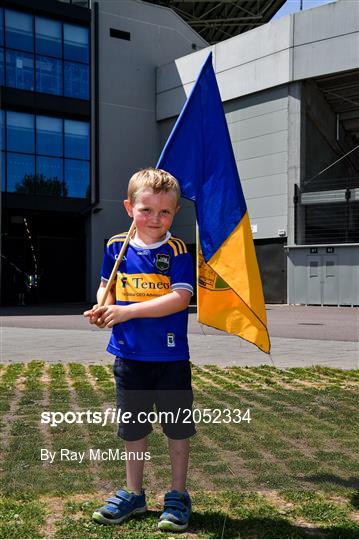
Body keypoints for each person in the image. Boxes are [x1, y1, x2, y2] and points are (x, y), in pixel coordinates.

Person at [84, 168, 196, 532]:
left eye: (165, 212)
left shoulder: (177, 250)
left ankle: (178, 495)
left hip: (169, 359)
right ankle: (134, 494)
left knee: (177, 428)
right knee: (133, 428)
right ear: (129, 207)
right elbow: (107, 287)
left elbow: (180, 299)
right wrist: (103, 307)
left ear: (175, 212)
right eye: (146, 210)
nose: (155, 219)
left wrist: (126, 311)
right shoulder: (116, 246)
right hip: (129, 356)